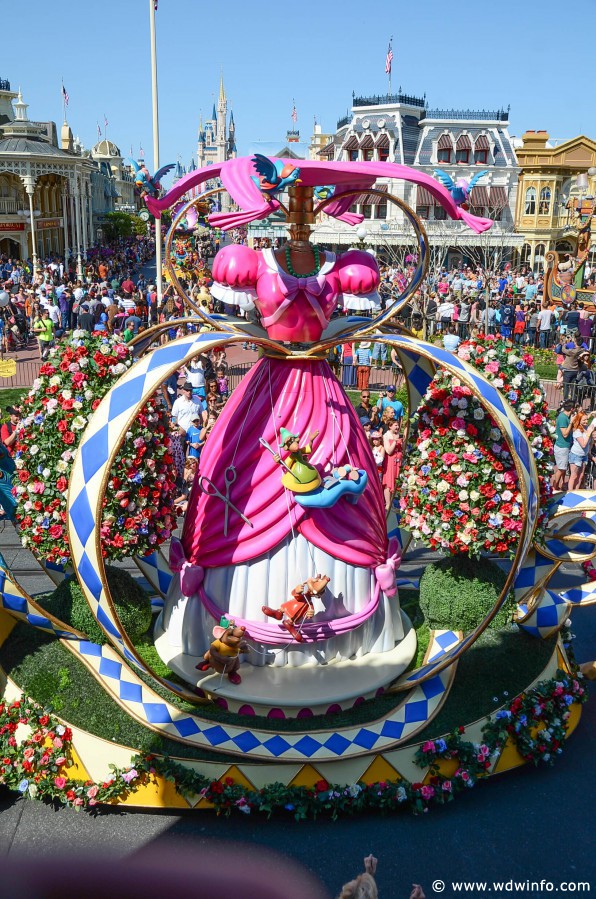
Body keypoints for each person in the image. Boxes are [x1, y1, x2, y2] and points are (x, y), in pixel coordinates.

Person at [568, 410, 596, 491]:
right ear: (579, 420)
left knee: (581, 475)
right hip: (576, 455)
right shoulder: (577, 431)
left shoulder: (587, 428)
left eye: (587, 419)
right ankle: (570, 492)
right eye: (584, 420)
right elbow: (583, 444)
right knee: (574, 476)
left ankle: (576, 491)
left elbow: (590, 441)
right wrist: (588, 433)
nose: (586, 421)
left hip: (584, 456)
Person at [552, 399, 575, 491]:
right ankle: (555, 487)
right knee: (561, 468)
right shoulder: (563, 418)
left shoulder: (567, 416)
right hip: (561, 447)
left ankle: (560, 484)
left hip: (566, 446)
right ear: (572, 409)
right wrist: (571, 423)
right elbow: (565, 433)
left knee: (564, 467)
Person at [382, 419, 402, 510]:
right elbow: (389, 451)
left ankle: (398, 502)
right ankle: (388, 503)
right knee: (388, 481)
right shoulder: (386, 436)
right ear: (390, 426)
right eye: (395, 425)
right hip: (390, 461)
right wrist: (394, 441)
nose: (397, 427)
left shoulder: (399, 435)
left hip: (399, 461)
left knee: (397, 480)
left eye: (397, 425)